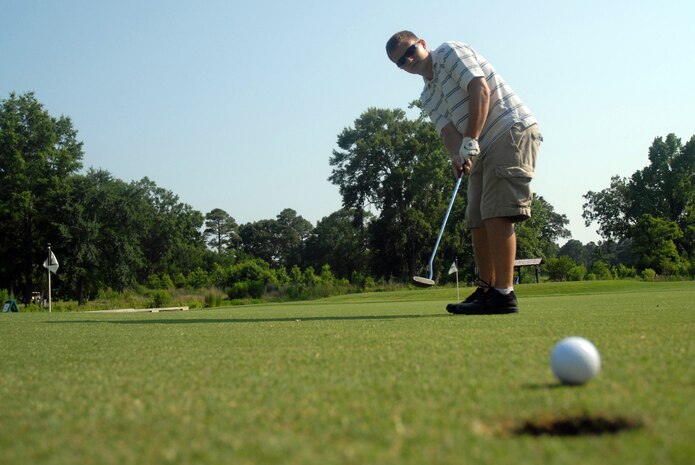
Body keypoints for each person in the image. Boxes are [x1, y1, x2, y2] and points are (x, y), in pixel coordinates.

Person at [386, 31, 542, 315]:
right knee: (476, 219)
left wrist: (470, 138)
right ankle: (486, 289)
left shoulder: (448, 53)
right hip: (480, 146)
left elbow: (479, 89)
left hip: (508, 131)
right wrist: (456, 158)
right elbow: (447, 132)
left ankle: (504, 294)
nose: (408, 61)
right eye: (401, 63)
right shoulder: (427, 94)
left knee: (497, 212)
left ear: (421, 43)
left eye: (410, 52)